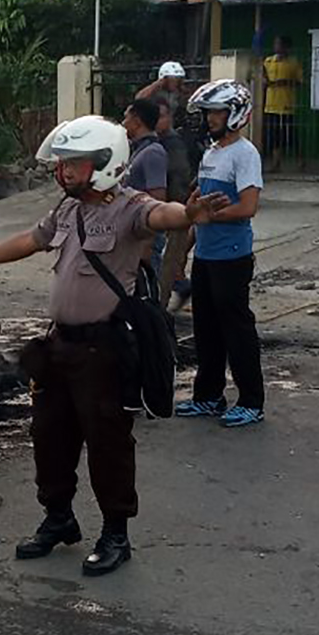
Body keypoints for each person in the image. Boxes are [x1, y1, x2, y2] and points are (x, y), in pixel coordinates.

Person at [0, 116, 226, 576]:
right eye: (62, 165)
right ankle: (59, 519)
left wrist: (189, 215)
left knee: (107, 443)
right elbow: (31, 240)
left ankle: (116, 533)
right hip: (60, 346)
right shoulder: (68, 210)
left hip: (105, 350)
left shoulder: (130, 207)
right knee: (48, 437)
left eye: (72, 164)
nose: (64, 173)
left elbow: (163, 215)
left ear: (104, 163)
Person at [176, 80, 266, 428]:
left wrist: (207, 214)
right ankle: (208, 396)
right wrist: (185, 248)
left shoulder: (245, 154)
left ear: (235, 114)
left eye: (216, 112)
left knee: (236, 329)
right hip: (207, 257)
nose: (210, 118)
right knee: (207, 329)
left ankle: (251, 401)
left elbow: (248, 206)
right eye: (209, 112)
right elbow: (199, 207)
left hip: (232, 256)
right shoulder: (212, 153)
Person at [153, 97, 195, 304]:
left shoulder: (173, 143)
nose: (156, 121)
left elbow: (179, 177)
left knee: (164, 257)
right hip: (165, 209)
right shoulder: (156, 142)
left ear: (169, 117)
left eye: (161, 116)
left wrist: (176, 210)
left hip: (172, 208)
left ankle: (173, 291)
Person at [122, 99, 169, 280]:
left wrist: (147, 242)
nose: (123, 123)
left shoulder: (153, 152)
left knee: (145, 294)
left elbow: (157, 200)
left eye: (126, 118)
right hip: (134, 234)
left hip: (145, 237)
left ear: (137, 120)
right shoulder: (139, 150)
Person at [262, 36, 303, 170]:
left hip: (287, 104)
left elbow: (300, 82)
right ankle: (276, 163)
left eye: (280, 45)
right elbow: (263, 79)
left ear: (287, 47)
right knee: (274, 135)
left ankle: (300, 160)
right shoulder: (268, 61)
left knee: (291, 134)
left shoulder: (293, 63)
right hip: (271, 104)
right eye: (275, 44)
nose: (277, 47)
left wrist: (285, 82)